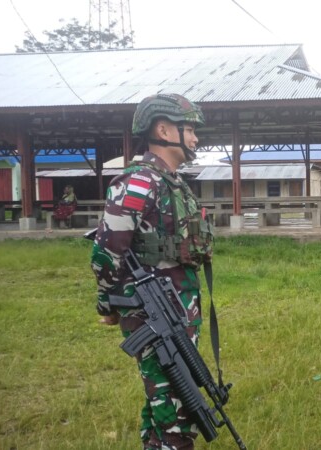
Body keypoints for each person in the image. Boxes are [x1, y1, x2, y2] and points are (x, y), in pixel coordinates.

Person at [90, 93, 213, 449]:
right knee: (175, 410)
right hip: (155, 315)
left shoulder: (171, 182)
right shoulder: (140, 182)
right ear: (163, 129)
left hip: (177, 310)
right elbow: (105, 252)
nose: (195, 138)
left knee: (166, 400)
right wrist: (109, 305)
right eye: (189, 129)